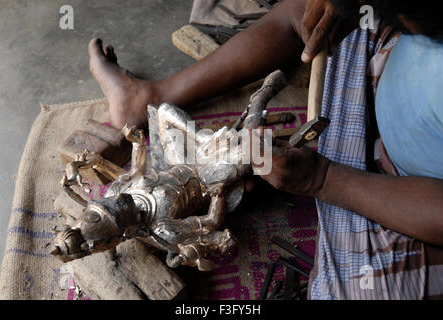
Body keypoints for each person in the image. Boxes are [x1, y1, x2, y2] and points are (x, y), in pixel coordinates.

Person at [88, 0, 443, 299]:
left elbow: (210, 226)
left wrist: (323, 179)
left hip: (412, 196)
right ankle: (146, 98)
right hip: (386, 59)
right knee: (310, 14)